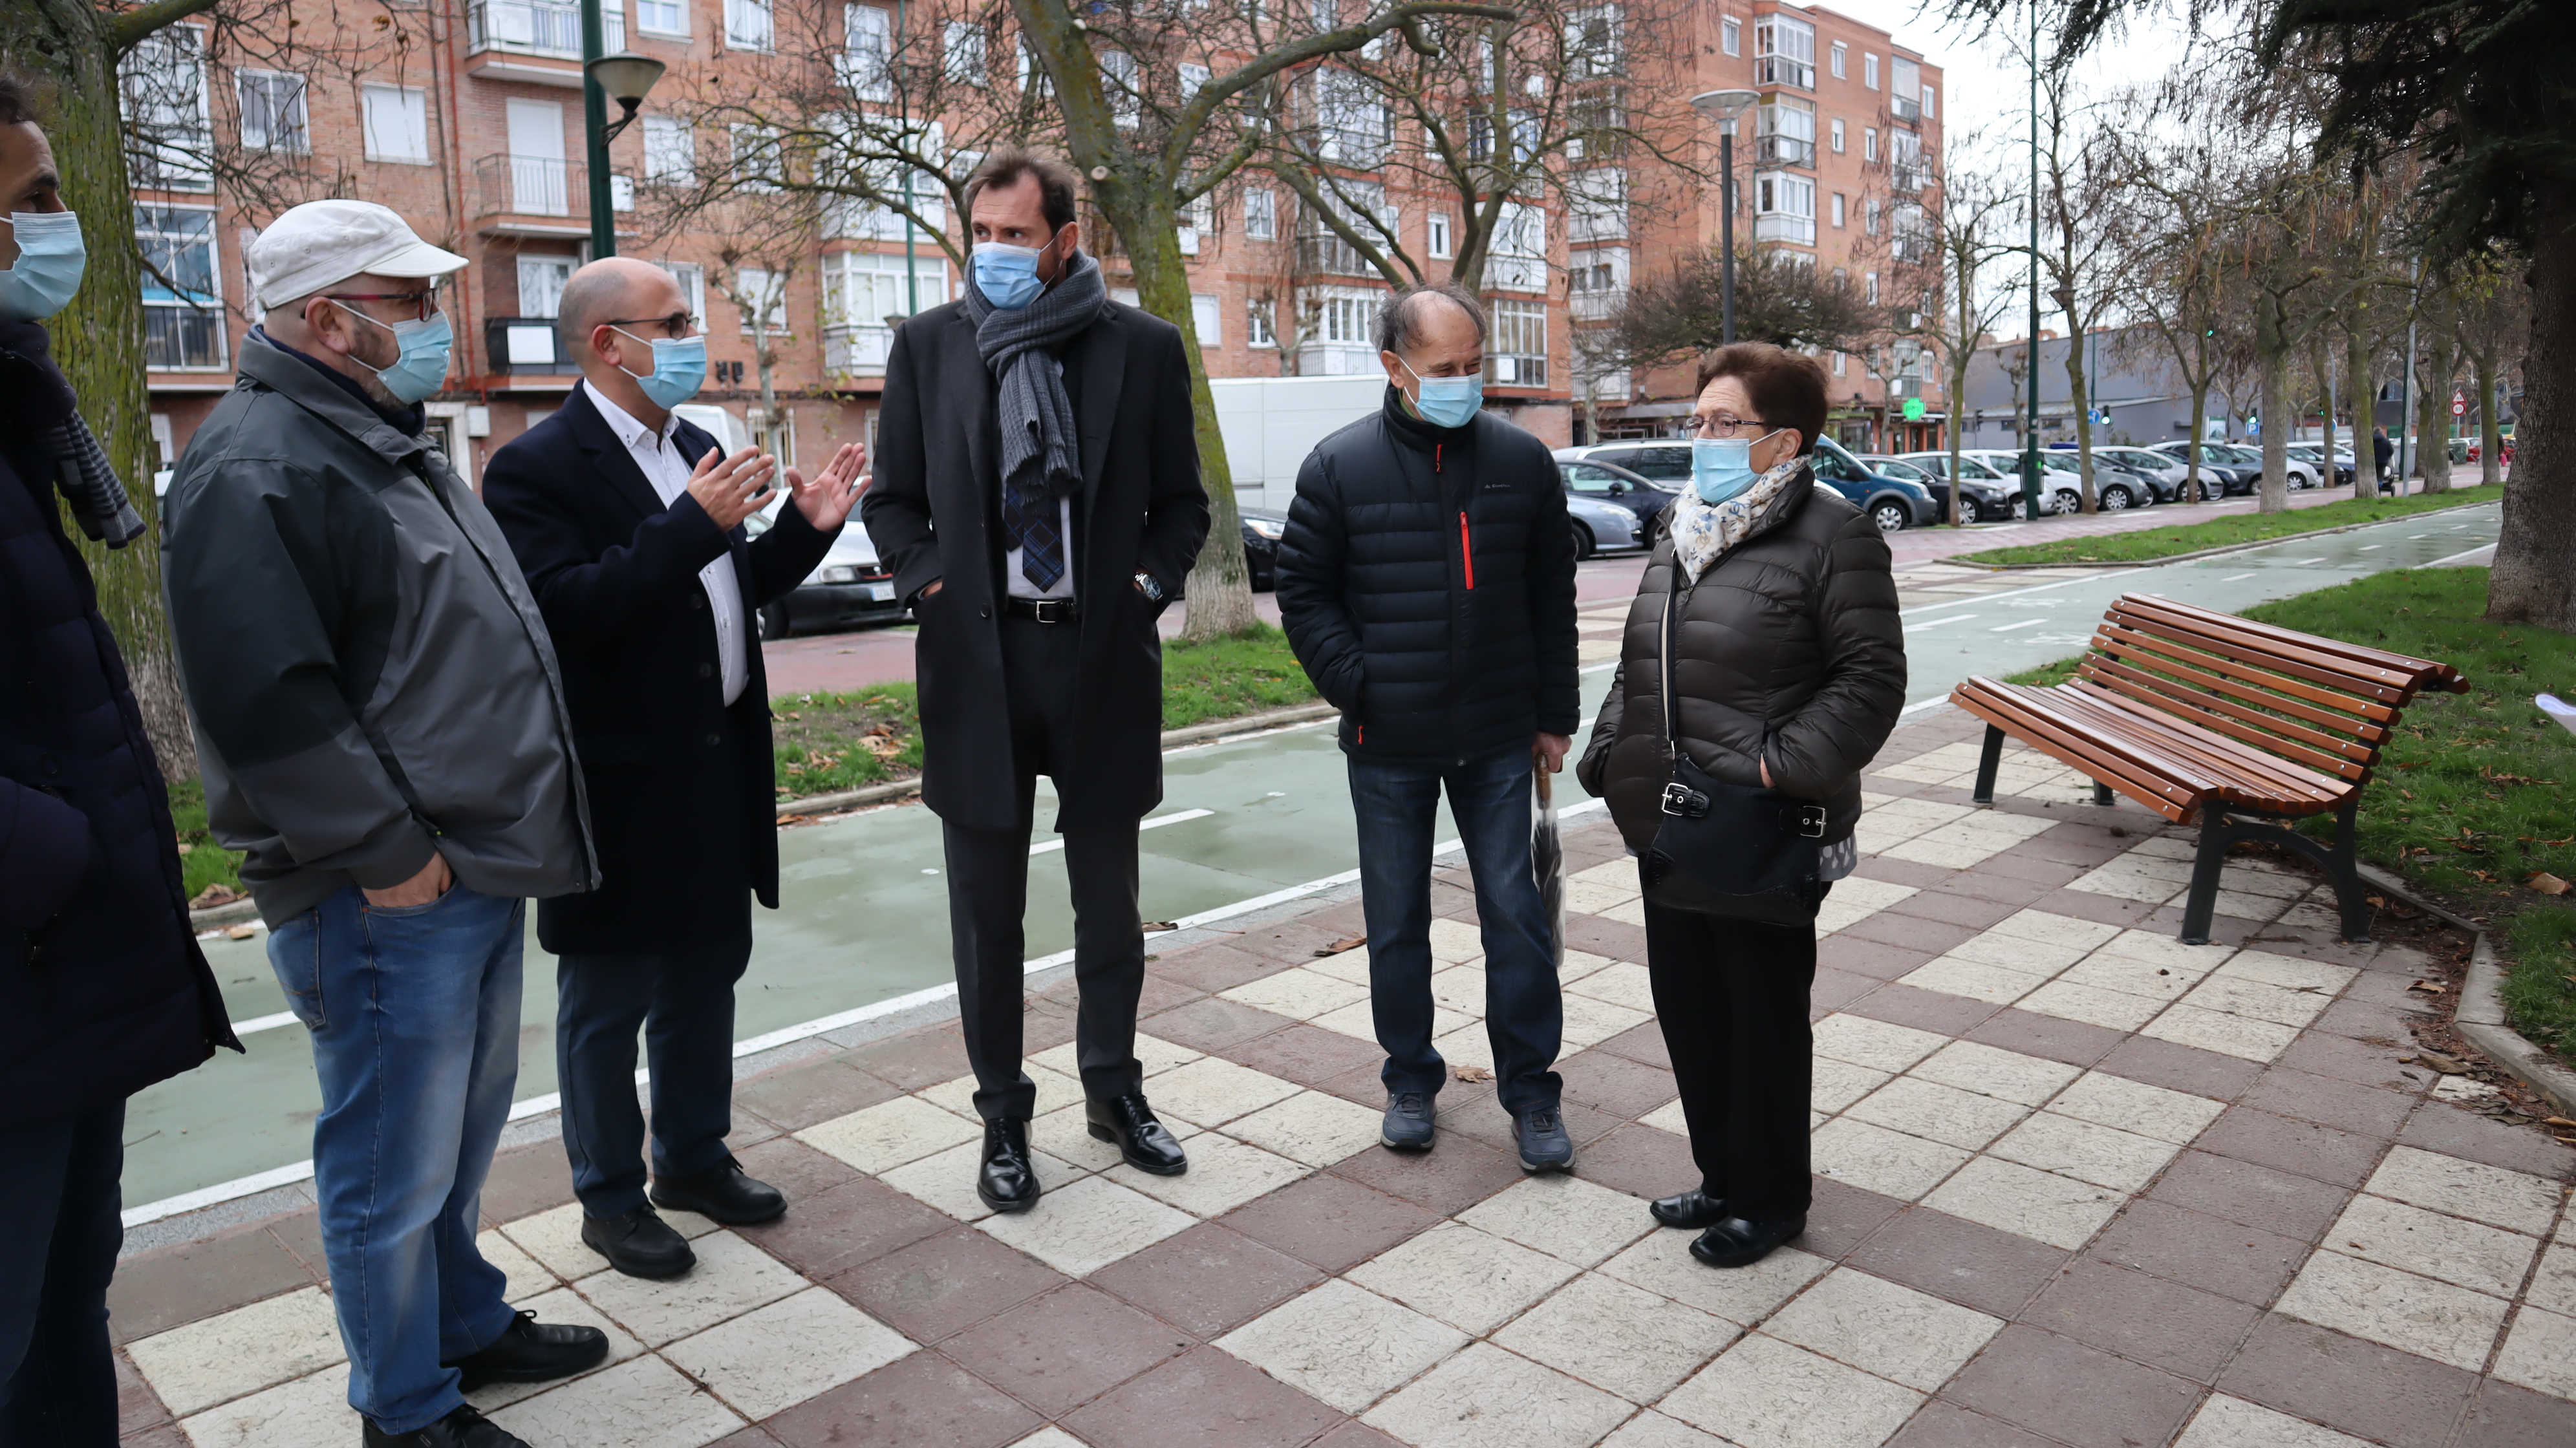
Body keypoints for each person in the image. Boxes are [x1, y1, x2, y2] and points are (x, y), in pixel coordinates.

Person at [162, 199, 604, 1448]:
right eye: (408, 301)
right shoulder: (260, 463)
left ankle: (459, 1322)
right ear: (326, 319)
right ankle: (404, 1410)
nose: (432, 319)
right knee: (387, 1165)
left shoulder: (370, 436)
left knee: (451, 1143)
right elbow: (268, 700)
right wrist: (388, 855)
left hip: (460, 859)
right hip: (383, 885)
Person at [483, 259, 866, 1279]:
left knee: (706, 976)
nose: (696, 339)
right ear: (611, 343)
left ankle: (692, 1159)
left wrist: (805, 534)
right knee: (608, 1004)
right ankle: (609, 1196)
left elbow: (726, 591)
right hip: (619, 783)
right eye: (676, 322)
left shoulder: (696, 445)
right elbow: (566, 611)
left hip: (715, 766)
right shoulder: (534, 469)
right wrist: (691, 525)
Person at [862, 147, 1210, 1213]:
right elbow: (893, 501)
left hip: (1098, 659)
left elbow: (1181, 504)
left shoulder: (1141, 347)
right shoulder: (930, 345)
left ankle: (1113, 1090)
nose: (994, 253)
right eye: (981, 233)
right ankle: (1002, 1117)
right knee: (987, 916)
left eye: (1014, 235)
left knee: (1108, 906)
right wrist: (929, 587)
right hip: (979, 662)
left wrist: (1141, 591)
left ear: (1064, 238)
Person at [0, 72, 235, 1443]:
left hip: (57, 975)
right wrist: (50, 856)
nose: (60, 223)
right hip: (28, 955)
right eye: (33, 199)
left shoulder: (16, 406)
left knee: (63, 1304)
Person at [1576, 343, 1905, 1269]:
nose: (1705, 437)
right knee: (1691, 1011)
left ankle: (1771, 1200)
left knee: (1761, 1021)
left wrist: (1775, 770)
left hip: (1761, 823)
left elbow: (1870, 680)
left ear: (1784, 441)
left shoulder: (1836, 534)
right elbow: (1642, 659)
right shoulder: (1685, 527)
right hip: (1668, 815)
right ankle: (1722, 1176)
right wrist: (1611, 751)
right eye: (1700, 421)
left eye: (1726, 422)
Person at [1274, 283, 1582, 1170]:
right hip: (1388, 743)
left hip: (1499, 737)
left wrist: (1554, 715)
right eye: (1444, 368)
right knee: (1397, 921)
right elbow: (1304, 593)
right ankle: (1410, 1080)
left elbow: (1550, 595)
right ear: (1395, 367)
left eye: (1474, 365)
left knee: (1517, 917)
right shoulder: (1338, 467)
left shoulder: (1522, 461)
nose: (1463, 382)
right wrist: (1360, 684)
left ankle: (1533, 1093)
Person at [2372, 425, 2396, 495]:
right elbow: (2391, 451)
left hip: (2373, 462)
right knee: (2380, 476)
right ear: (2381, 432)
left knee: (2373, 475)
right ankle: (2379, 488)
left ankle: (2373, 487)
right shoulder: (2386, 441)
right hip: (2383, 461)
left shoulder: (2370, 441)